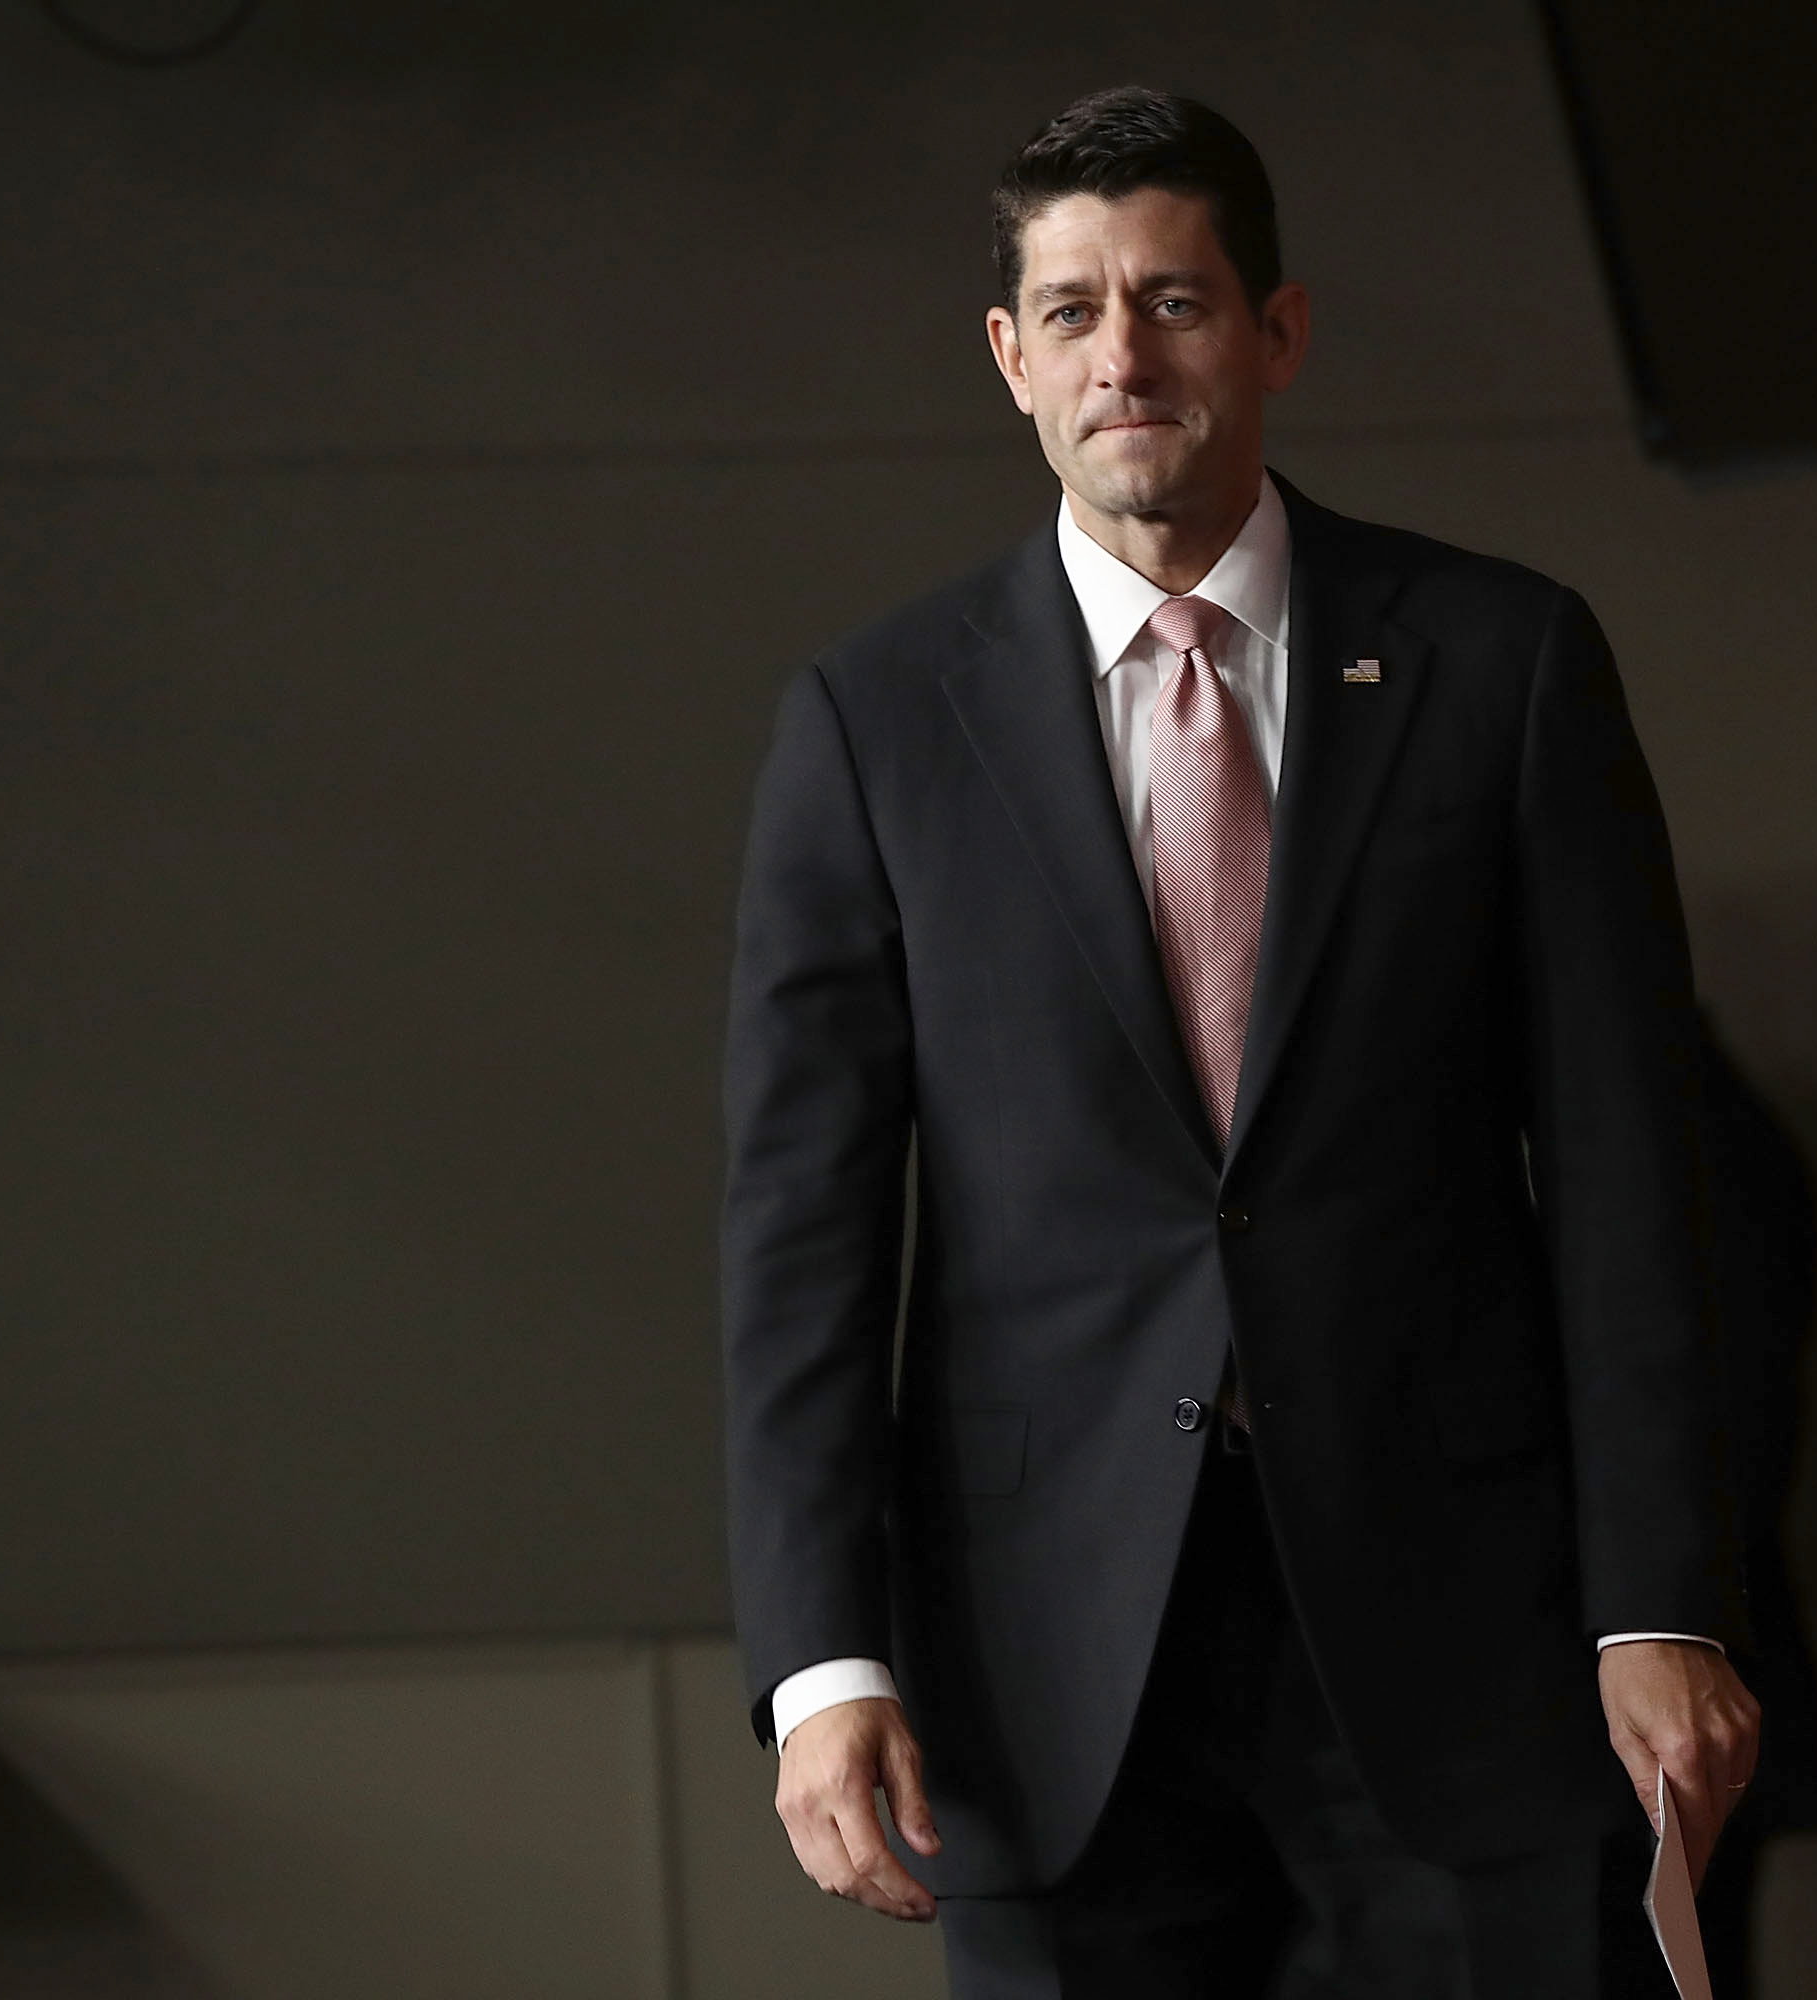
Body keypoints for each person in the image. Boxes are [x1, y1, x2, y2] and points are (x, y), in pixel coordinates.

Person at [722, 85, 1759, 1997]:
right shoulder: (871, 726)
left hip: (1464, 1639)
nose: (1125, 354)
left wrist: (1656, 1607)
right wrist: (823, 1660)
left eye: (1179, 301)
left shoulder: (1503, 661)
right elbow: (803, 1241)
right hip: (1043, 1674)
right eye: (1074, 309)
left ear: (1277, 331)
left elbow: (1632, 1171)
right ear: (1008, 359)